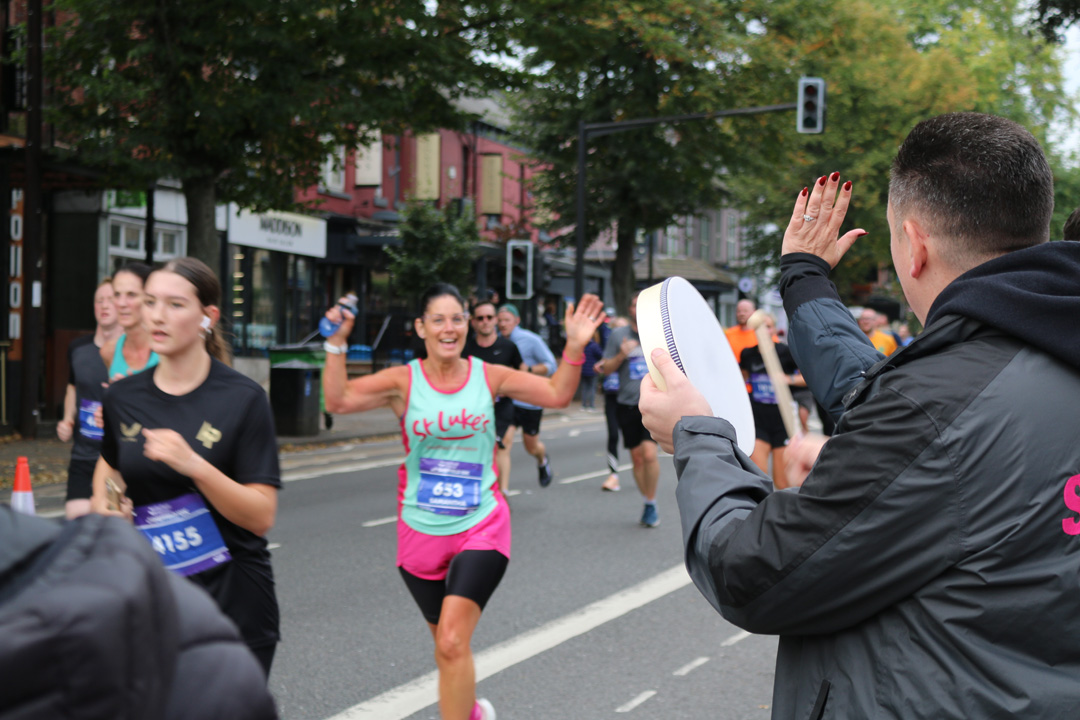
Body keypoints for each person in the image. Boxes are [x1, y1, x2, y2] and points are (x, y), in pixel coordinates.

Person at [640, 113, 1080, 717]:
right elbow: (884, 398)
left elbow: (748, 571)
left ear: (915, 242)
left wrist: (699, 436)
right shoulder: (1034, 355)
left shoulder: (935, 407)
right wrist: (805, 280)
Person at [322, 283, 605, 720]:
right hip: (420, 531)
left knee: (452, 641)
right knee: (447, 649)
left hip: (481, 523)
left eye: (458, 318)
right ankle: (471, 713)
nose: (450, 328)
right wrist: (336, 345)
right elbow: (338, 400)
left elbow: (556, 394)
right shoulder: (403, 381)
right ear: (421, 328)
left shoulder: (486, 376)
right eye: (438, 319)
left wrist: (573, 346)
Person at [91, 258, 281, 677]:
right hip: (153, 602)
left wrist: (195, 465)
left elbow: (261, 515)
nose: (157, 315)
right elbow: (110, 467)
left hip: (233, 608)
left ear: (207, 317)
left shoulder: (243, 399)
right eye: (150, 301)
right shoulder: (124, 397)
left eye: (175, 304)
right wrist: (108, 507)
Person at [0, 506, 278, 720]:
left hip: (210, 591)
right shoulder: (121, 431)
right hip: (149, 575)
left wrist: (192, 464)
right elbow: (106, 494)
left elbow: (260, 518)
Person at [57, 278, 121, 519]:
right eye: (99, 301)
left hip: (117, 456)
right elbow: (72, 387)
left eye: (110, 300)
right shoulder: (77, 348)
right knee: (76, 519)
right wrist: (67, 419)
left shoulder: (132, 352)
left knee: (112, 523)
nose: (104, 306)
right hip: (84, 452)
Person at [596, 293, 660, 527]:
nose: (637, 308)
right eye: (634, 304)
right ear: (630, 309)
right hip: (626, 403)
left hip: (652, 403)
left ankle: (652, 502)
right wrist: (623, 353)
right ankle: (647, 501)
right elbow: (606, 369)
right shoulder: (618, 335)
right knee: (637, 458)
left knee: (649, 453)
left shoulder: (657, 332)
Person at [737, 313, 805, 488]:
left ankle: (783, 514)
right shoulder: (748, 354)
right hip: (758, 418)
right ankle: (761, 513)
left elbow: (808, 378)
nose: (764, 331)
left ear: (774, 329)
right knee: (759, 476)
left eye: (768, 326)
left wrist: (787, 379)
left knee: (782, 482)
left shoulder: (785, 353)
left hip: (782, 420)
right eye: (760, 327)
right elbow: (742, 378)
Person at [463, 299, 523, 493]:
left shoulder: (508, 347)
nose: (485, 322)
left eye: (489, 317)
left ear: (496, 320)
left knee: (502, 447)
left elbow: (520, 373)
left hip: (503, 407)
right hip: (474, 409)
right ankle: (478, 490)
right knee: (477, 450)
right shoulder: (466, 349)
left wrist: (509, 387)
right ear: (473, 322)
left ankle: (503, 492)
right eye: (480, 318)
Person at [496, 303, 558, 488]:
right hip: (507, 401)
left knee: (531, 446)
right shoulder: (495, 341)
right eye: (499, 321)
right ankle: (503, 492)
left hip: (530, 402)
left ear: (517, 321)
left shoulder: (530, 340)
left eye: (506, 320)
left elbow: (551, 365)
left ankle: (542, 459)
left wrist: (528, 369)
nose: (502, 324)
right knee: (503, 443)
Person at [100, 262, 160, 379]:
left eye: (131, 294)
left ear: (149, 299)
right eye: (117, 294)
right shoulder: (109, 351)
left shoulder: (167, 350)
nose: (122, 303)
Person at [598, 316, 628, 492]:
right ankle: (613, 474)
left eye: (621, 329)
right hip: (612, 396)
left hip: (632, 399)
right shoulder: (609, 349)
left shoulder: (637, 348)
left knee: (638, 443)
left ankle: (642, 468)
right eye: (614, 329)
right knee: (613, 435)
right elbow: (603, 365)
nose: (618, 334)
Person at [723, 298, 758, 362]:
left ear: (754, 312)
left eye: (745, 311)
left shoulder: (762, 334)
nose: (742, 314)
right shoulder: (728, 334)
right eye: (739, 311)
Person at [579, 330, 603, 411]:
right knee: (592, 388)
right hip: (593, 370)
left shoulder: (582, 346)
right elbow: (601, 355)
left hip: (583, 370)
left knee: (585, 388)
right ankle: (591, 405)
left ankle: (584, 405)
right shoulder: (594, 346)